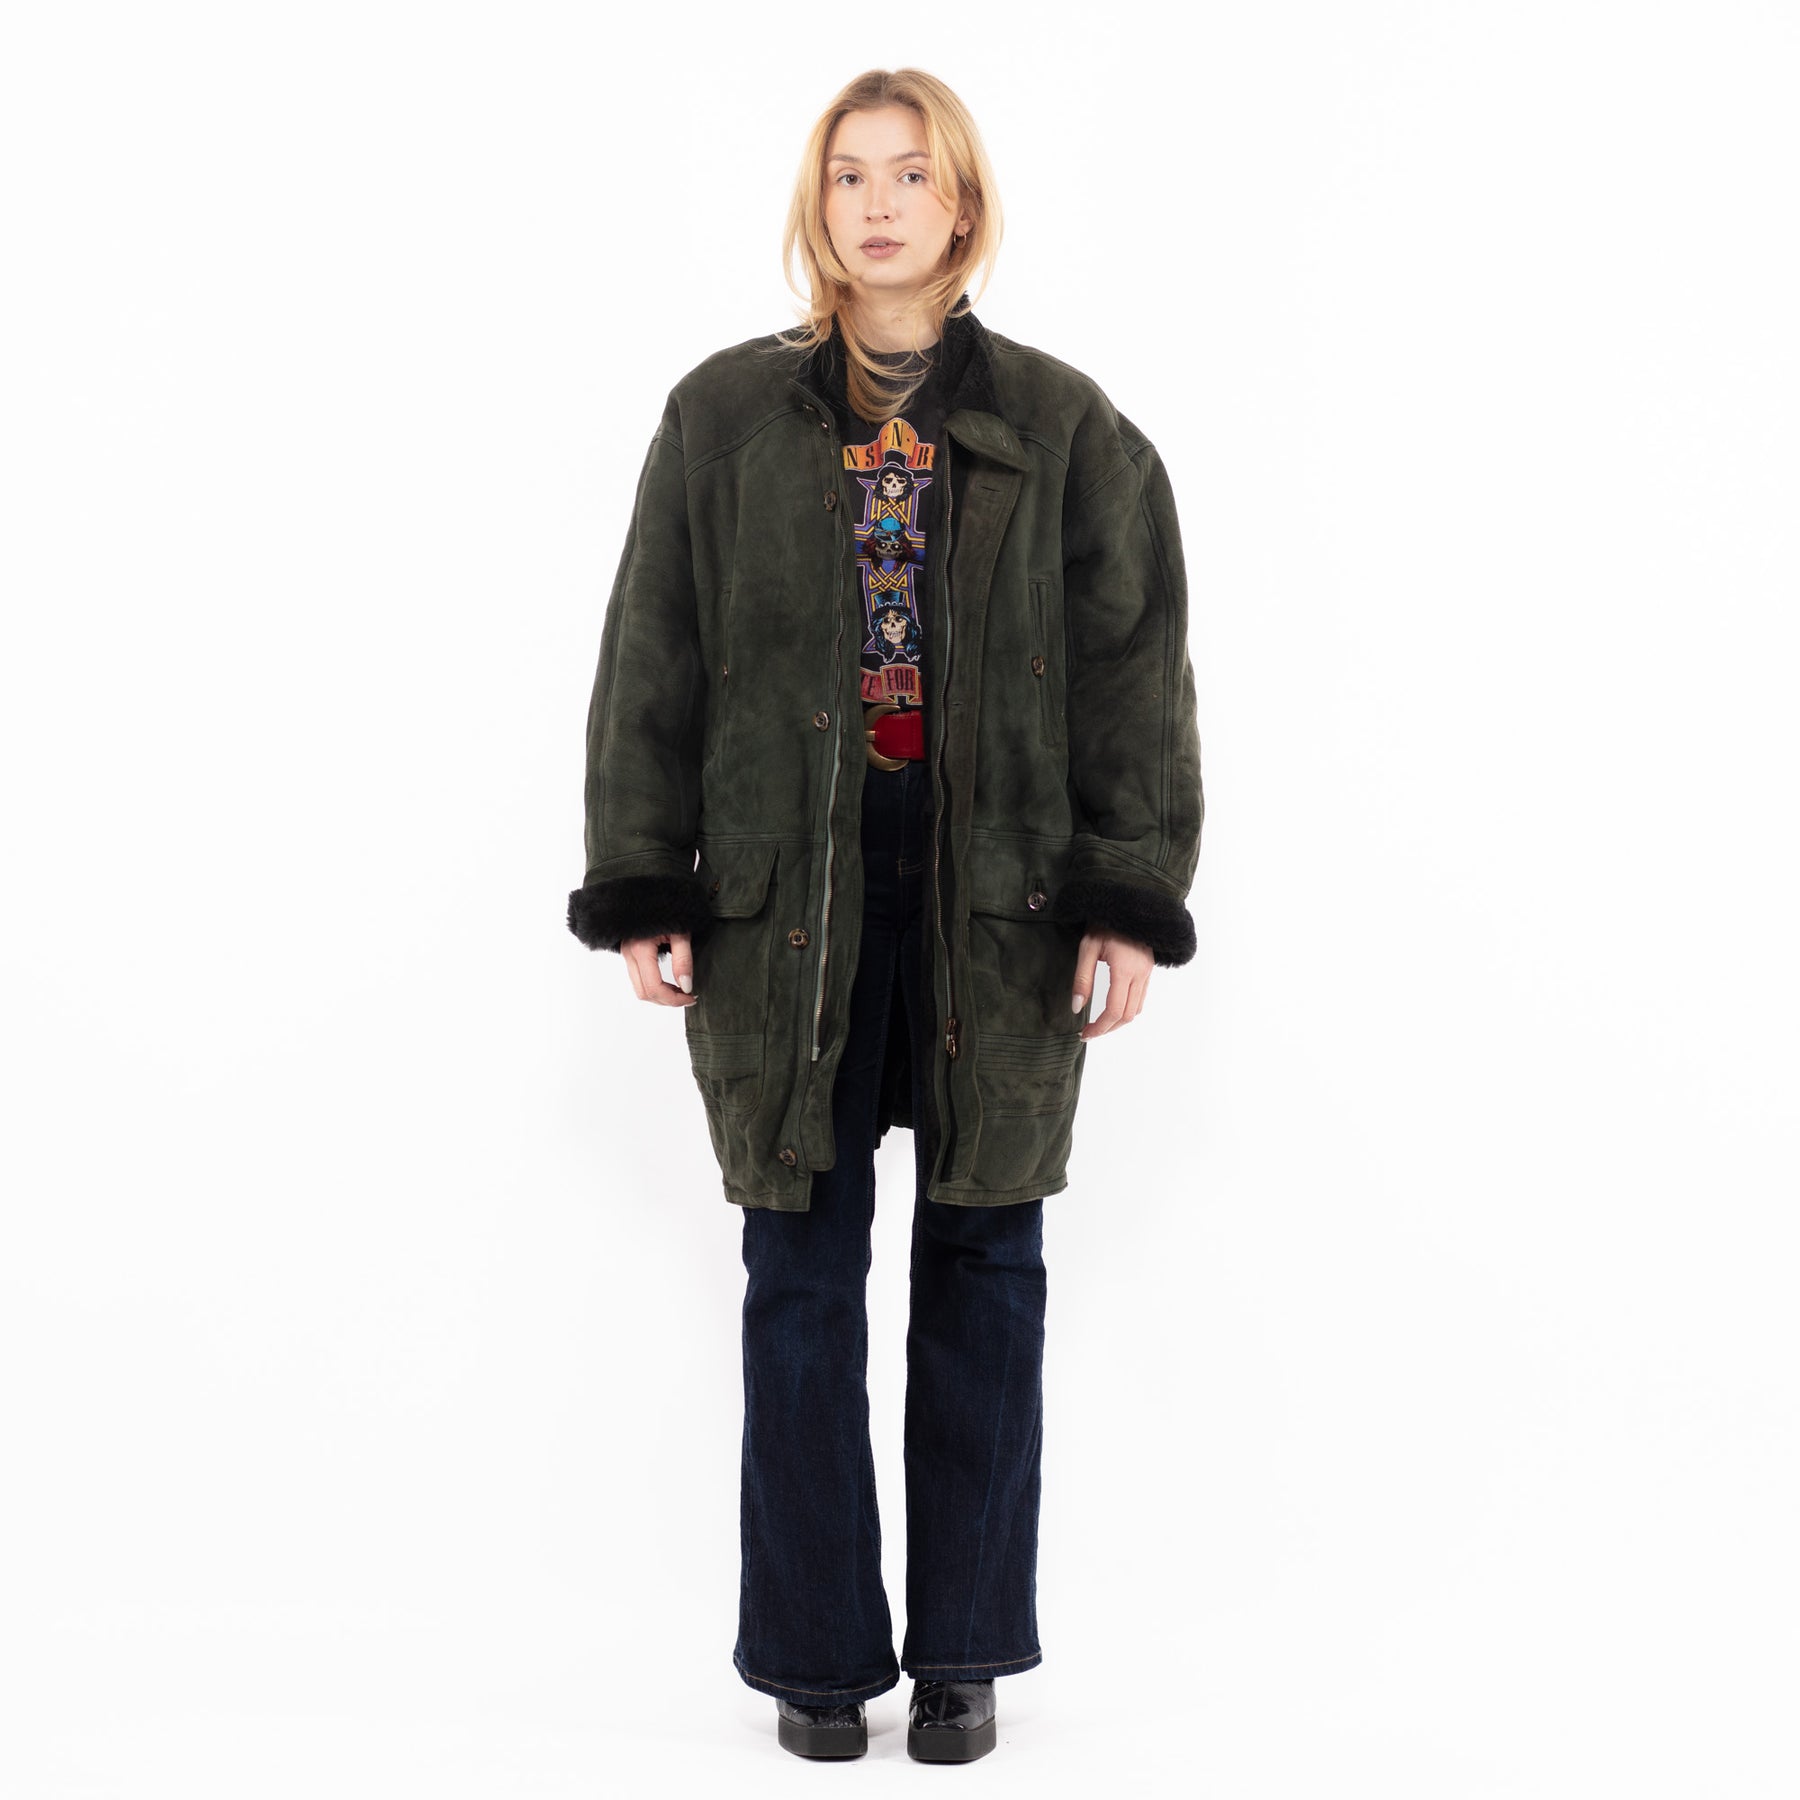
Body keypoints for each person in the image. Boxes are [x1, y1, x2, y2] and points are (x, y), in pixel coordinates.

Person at [566, 68, 1203, 1763]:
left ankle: (967, 1655)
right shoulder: (720, 419)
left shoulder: (1068, 427)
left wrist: (1125, 896)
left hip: (1001, 895)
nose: (877, 203)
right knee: (800, 1267)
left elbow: (1138, 675)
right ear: (817, 205)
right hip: (789, 894)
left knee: (987, 1258)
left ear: (962, 203)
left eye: (911, 174)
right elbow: (653, 653)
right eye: (849, 174)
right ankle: (817, 1656)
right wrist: (645, 879)